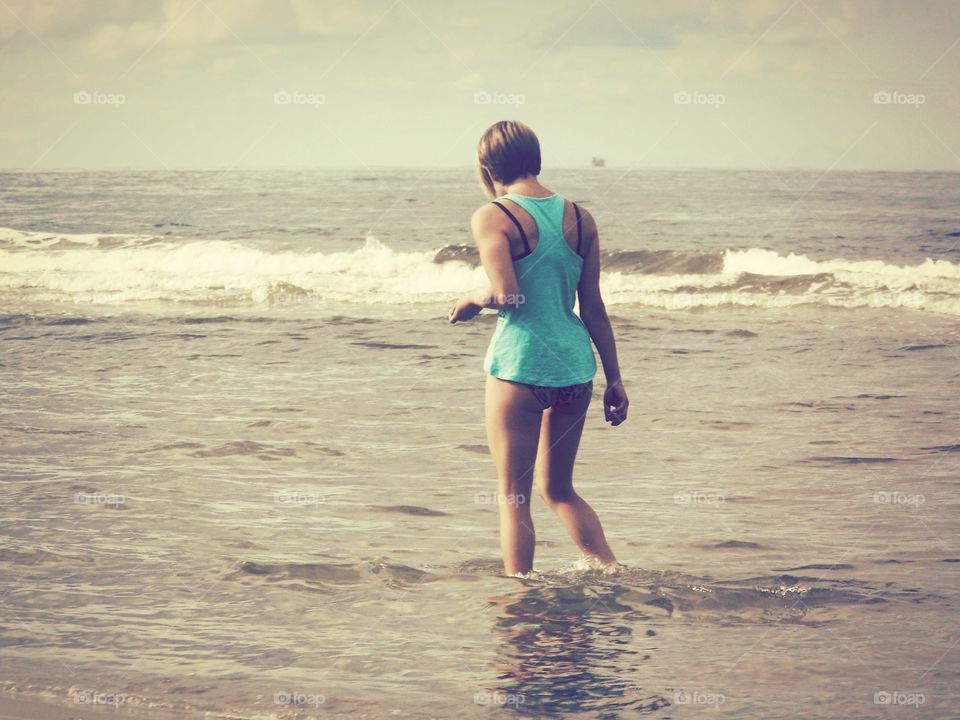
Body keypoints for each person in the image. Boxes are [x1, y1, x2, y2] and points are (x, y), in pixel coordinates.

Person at [449, 120, 629, 576]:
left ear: (488, 167)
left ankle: (518, 593)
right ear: (536, 157)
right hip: (573, 370)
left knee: (513, 495)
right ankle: (609, 573)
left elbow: (506, 295)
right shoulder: (581, 218)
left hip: (521, 366)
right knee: (560, 489)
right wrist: (615, 379)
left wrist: (473, 299)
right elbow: (592, 305)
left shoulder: (493, 215)